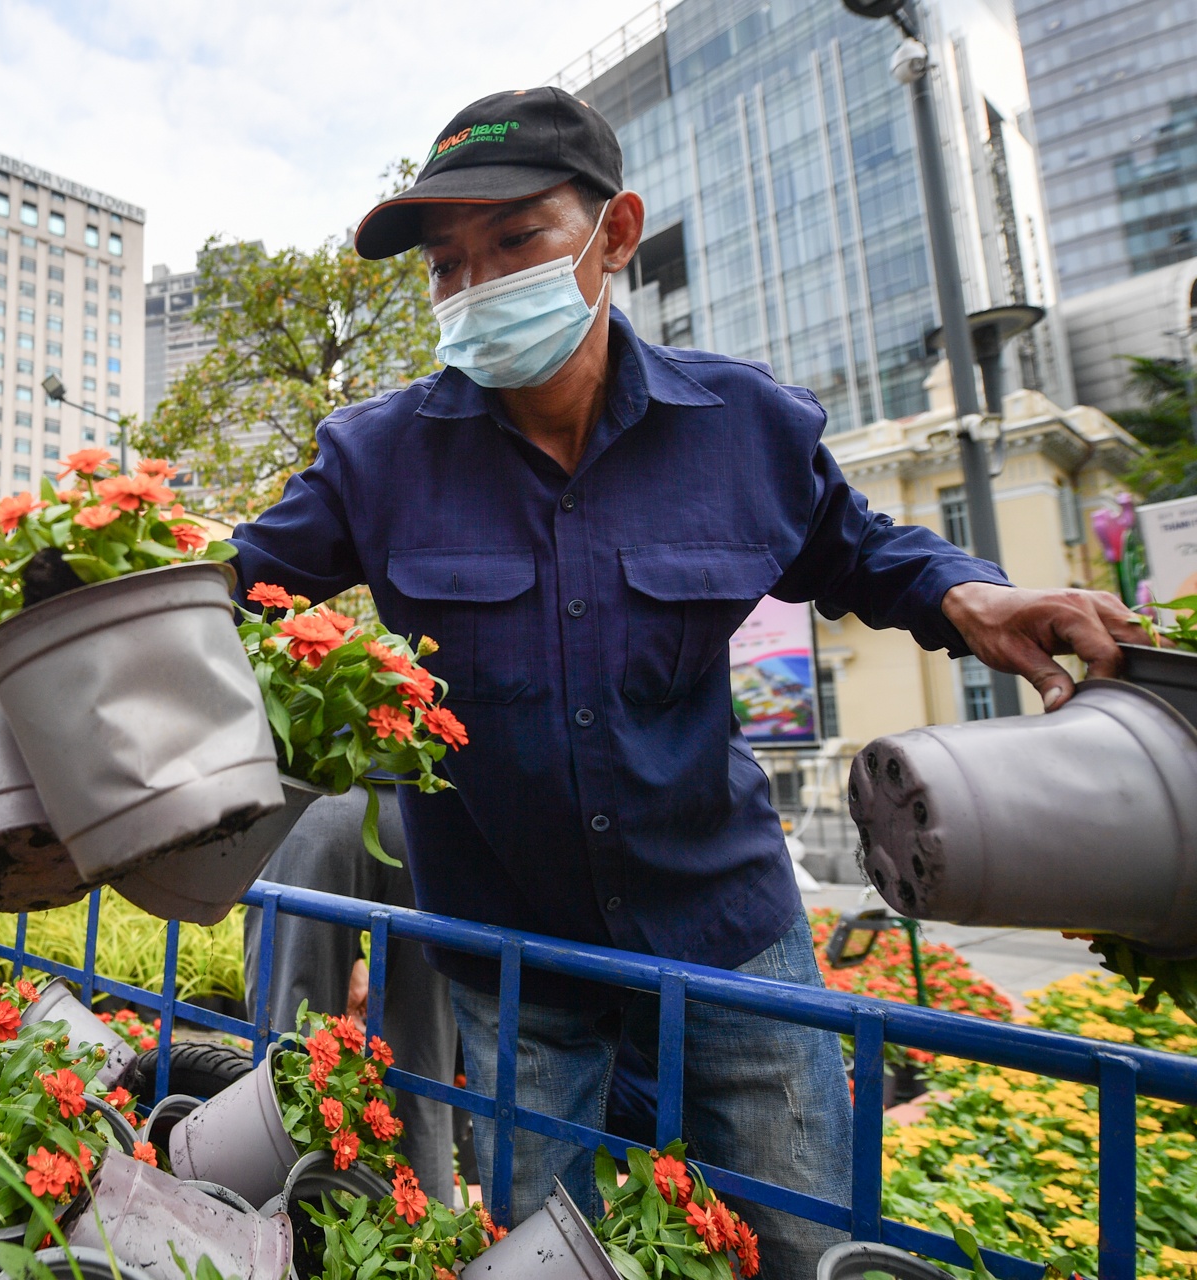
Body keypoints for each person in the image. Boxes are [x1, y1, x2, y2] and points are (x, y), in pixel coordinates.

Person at [227, 88, 1148, 1280]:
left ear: (615, 234)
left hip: (730, 932)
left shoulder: (743, 426)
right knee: (542, 1255)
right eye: (447, 267)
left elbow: (861, 548)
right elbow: (225, 583)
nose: (475, 286)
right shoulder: (376, 456)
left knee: (804, 1237)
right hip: (514, 952)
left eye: (514, 243)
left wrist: (973, 595)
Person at [241, 785, 458, 1202]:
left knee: (292, 1056)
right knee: (424, 1069)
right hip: (431, 807)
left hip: (321, 794)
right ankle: (424, 1244)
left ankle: (281, 1226)